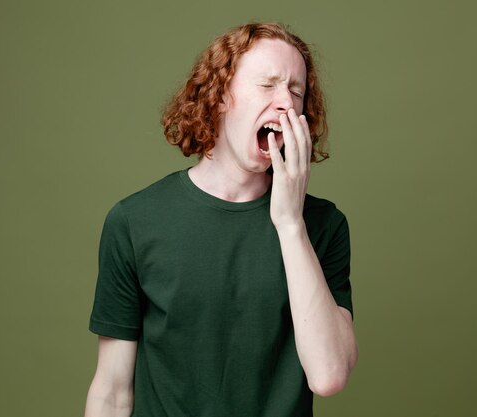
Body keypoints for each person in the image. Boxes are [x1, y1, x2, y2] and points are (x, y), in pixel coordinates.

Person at [84, 22, 358, 417]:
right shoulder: (134, 221)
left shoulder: (324, 225)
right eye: (268, 85)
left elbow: (329, 375)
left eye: (296, 90)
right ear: (219, 96)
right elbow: (111, 392)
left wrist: (291, 224)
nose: (286, 102)